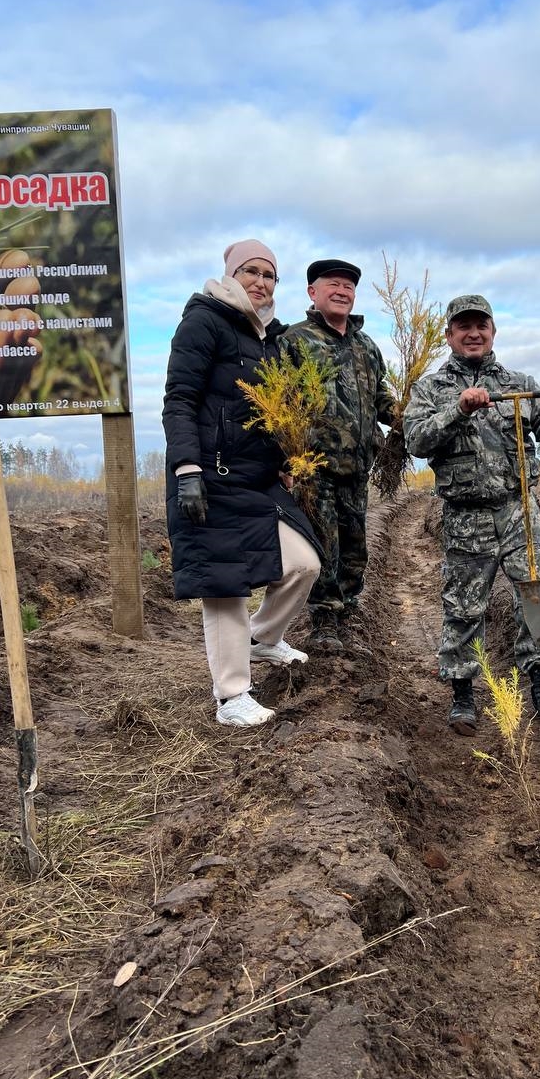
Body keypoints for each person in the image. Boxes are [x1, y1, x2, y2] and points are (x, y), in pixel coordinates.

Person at [162, 238, 322, 727]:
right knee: (225, 587)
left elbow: (269, 410)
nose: (260, 281)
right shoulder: (204, 321)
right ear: (231, 275)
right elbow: (180, 399)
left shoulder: (268, 338)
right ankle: (231, 697)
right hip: (208, 479)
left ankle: (264, 639)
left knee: (304, 563)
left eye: (269, 274)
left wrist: (286, 456)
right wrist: (186, 470)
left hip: (256, 482)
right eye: (250, 271)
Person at [403, 294, 540, 732]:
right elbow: (417, 441)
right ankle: (463, 695)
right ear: (449, 335)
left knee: (537, 596)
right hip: (465, 516)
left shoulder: (519, 381)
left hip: (519, 509)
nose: (473, 333)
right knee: (463, 607)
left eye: (481, 325)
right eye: (463, 326)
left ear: (493, 331)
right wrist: (459, 409)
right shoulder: (431, 388)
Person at [280, 258, 395, 653]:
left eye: (348, 285)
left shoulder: (366, 346)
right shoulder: (294, 341)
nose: (341, 291)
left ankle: (347, 617)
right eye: (332, 284)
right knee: (323, 546)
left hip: (358, 468)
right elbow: (280, 405)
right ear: (312, 292)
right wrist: (287, 462)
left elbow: (381, 398)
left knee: (354, 546)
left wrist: (406, 420)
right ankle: (323, 624)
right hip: (315, 470)